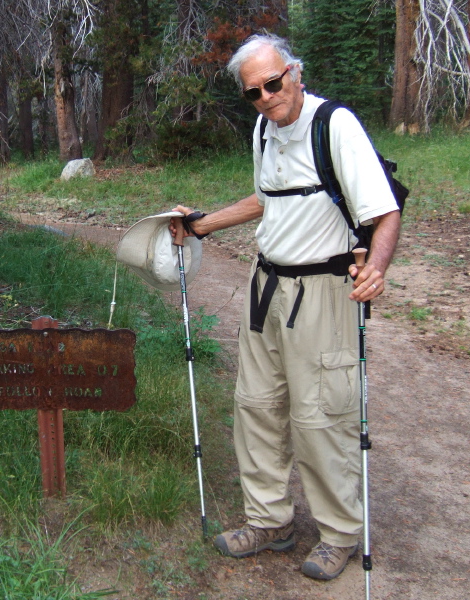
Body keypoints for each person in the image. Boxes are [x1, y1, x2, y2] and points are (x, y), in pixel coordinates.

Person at [171, 33, 401, 581]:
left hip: (321, 292)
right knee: (257, 406)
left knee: (321, 414)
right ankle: (269, 521)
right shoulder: (263, 130)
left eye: (274, 83)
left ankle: (340, 534)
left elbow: (384, 209)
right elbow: (267, 199)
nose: (268, 98)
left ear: (294, 72)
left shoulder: (334, 125)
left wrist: (377, 270)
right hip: (265, 287)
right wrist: (203, 223)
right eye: (255, 92)